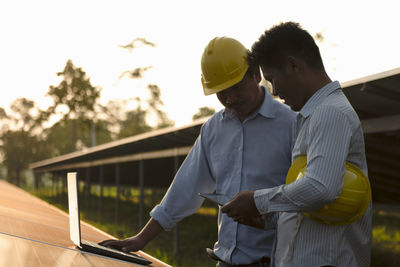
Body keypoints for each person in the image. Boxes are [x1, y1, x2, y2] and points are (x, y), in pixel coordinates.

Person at [99, 36, 296, 266]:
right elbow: (185, 187)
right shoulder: (214, 129)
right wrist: (141, 238)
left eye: (236, 87)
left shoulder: (292, 124)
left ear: (255, 74)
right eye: (221, 92)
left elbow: (308, 197)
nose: (230, 98)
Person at [221, 22, 372, 267]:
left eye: (271, 79)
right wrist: (271, 217)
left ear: (293, 65)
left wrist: (257, 201)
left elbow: (320, 189)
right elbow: (318, 200)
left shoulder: (330, 113)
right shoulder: (309, 116)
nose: (274, 91)